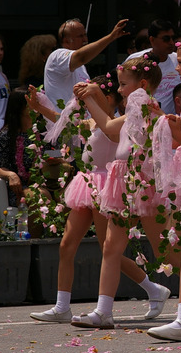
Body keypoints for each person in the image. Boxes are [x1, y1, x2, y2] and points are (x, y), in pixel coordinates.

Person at [30, 73, 171, 324]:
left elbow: (107, 124)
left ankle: (152, 289)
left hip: (108, 186)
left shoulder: (118, 124)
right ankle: (62, 306)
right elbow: (66, 123)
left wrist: (93, 98)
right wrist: (41, 107)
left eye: (92, 96)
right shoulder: (94, 123)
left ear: (106, 98)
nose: (84, 101)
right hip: (87, 184)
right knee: (67, 244)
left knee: (109, 249)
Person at [66, 55, 172, 328]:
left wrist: (93, 98)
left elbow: (114, 130)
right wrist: (90, 100)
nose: (120, 89)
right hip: (125, 182)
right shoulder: (135, 109)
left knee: (166, 251)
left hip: (144, 183)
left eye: (124, 84)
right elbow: (113, 130)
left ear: (143, 84)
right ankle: (103, 311)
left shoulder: (146, 106)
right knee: (111, 247)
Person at [44, 18, 128, 110]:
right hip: (61, 122)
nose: (85, 40)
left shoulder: (81, 67)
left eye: (85, 35)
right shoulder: (57, 56)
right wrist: (111, 37)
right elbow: (81, 57)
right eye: (80, 36)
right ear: (67, 41)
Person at [128, 20, 181, 114]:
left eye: (173, 38)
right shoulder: (135, 60)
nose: (171, 42)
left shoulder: (179, 60)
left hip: (168, 122)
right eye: (166, 39)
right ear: (152, 39)